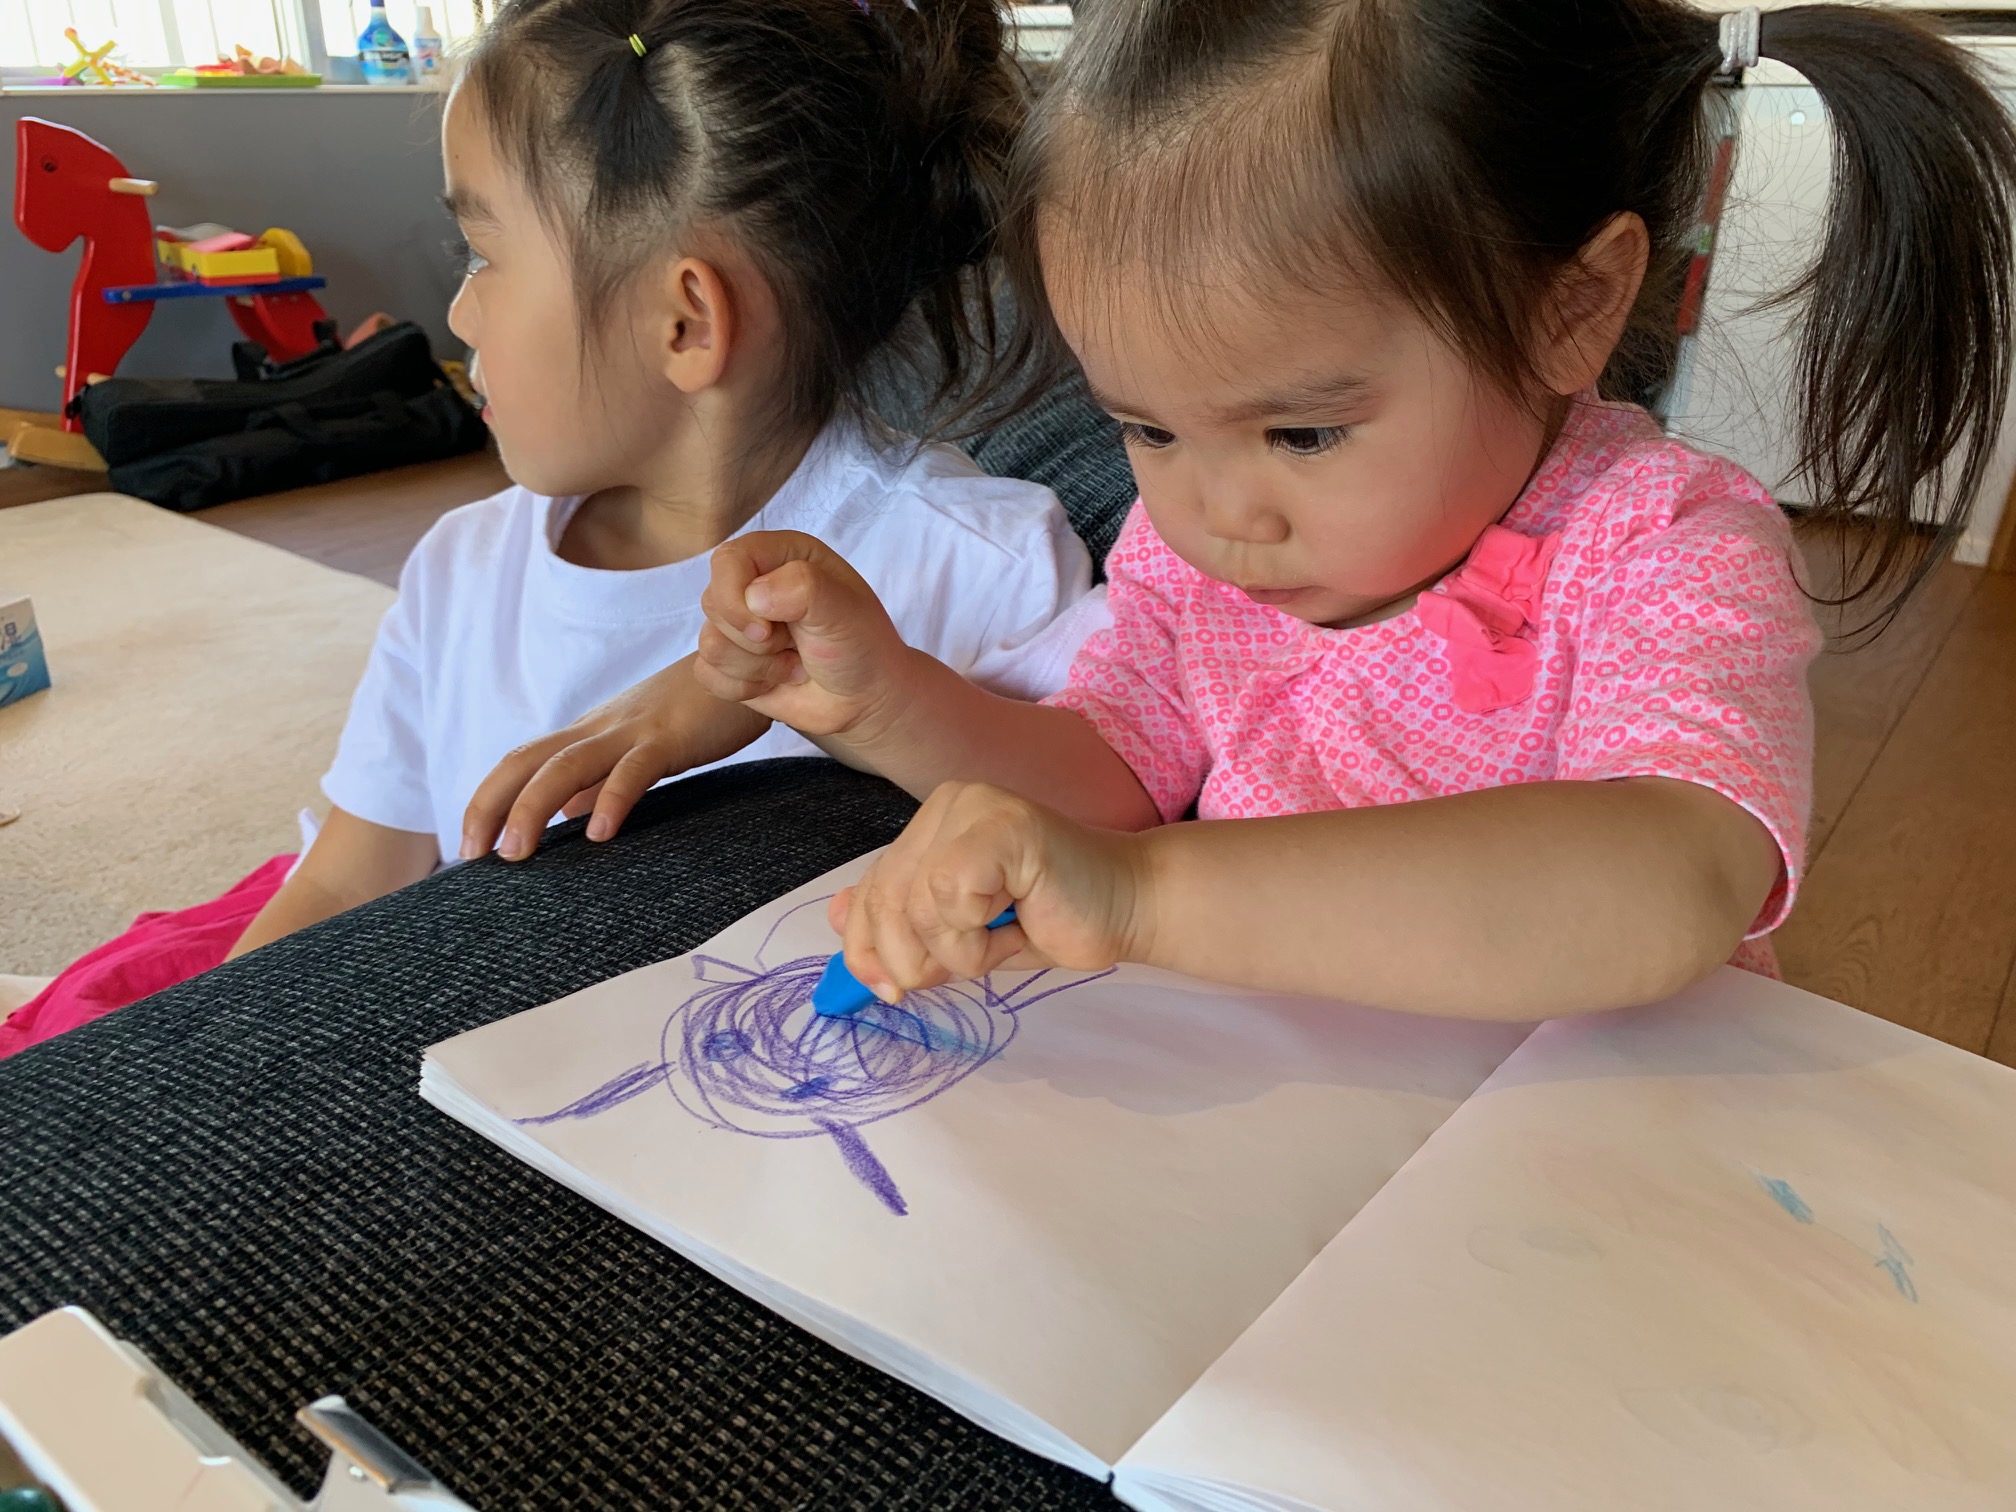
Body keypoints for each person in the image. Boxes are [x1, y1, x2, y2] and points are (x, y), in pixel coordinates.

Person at [668, 0, 2016, 1022]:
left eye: (1302, 432)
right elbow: (1110, 779)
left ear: (1574, 309)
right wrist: (885, 703)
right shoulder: (1198, 566)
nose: (1215, 514)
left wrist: (1145, 896)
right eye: (1146, 428)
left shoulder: (1662, 548)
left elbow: (1672, 880)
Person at [0, 0, 1093, 1058]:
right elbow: (344, 877)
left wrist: (890, 708)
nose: (458, 314)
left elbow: (1116, 837)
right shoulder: (463, 567)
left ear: (684, 321)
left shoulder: (973, 564)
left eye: (481, 255)